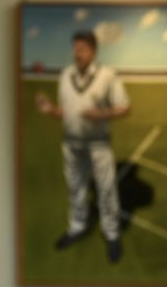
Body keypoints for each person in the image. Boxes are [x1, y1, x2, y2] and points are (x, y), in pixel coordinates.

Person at [35, 29, 130, 263]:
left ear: (93, 51)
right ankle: (77, 227)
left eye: (83, 49)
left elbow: (124, 107)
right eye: (75, 49)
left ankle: (111, 233)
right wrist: (49, 110)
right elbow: (65, 113)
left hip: (98, 144)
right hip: (71, 143)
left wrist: (101, 114)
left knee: (106, 189)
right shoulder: (66, 75)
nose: (78, 54)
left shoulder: (107, 75)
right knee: (75, 188)